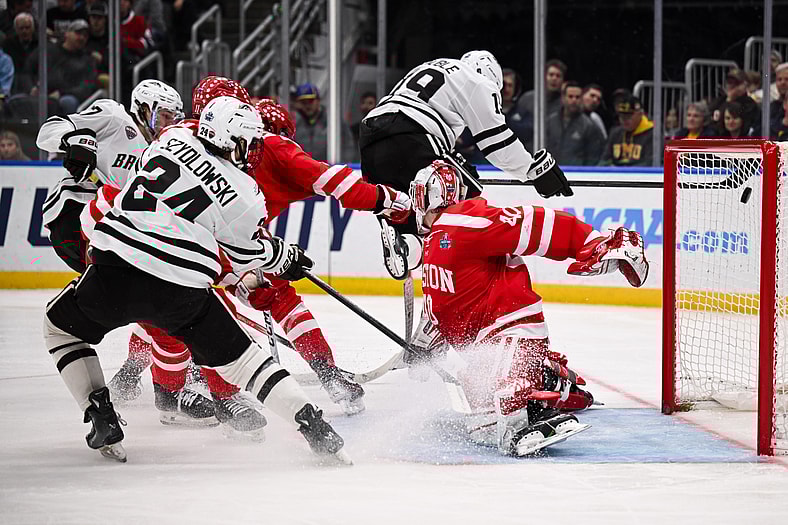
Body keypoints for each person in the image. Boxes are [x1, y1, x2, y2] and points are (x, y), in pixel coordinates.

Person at [42, 96, 348, 463]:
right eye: (247, 143)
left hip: (116, 267)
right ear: (229, 138)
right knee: (246, 362)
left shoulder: (172, 134)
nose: (251, 153)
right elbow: (246, 256)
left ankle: (99, 411)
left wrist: (76, 142)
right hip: (181, 288)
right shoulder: (248, 195)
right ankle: (312, 424)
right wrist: (286, 257)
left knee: (60, 329)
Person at [108, 77, 411, 418]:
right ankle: (223, 392)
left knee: (190, 308)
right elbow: (335, 182)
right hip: (211, 246)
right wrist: (391, 201)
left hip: (196, 244)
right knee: (219, 311)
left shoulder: (188, 135)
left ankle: (147, 375)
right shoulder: (271, 149)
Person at [406, 160, 648, 456]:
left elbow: (536, 223)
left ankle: (529, 395)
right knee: (483, 423)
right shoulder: (432, 242)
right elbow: (445, 299)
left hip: (512, 329)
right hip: (483, 345)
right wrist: (428, 338)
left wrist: (594, 243)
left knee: (506, 396)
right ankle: (548, 381)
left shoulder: (464, 221)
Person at [359, 50, 572, 265]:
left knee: (407, 208)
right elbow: (496, 143)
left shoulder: (431, 66)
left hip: (370, 137)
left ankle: (405, 240)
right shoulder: (478, 82)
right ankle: (445, 255)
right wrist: (532, 171)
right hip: (411, 134)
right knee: (464, 188)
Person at [27, 19, 98, 115]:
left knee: (68, 102)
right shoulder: (48, 50)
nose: (81, 38)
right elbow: (27, 71)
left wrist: (61, 93)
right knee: (17, 100)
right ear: (67, 33)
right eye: (78, 33)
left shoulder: (88, 61)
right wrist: (31, 87)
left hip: (66, 97)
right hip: (41, 94)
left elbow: (86, 88)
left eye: (85, 36)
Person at [545, 81, 605, 166]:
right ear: (563, 98)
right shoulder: (550, 121)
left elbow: (593, 159)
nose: (574, 100)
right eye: (570, 96)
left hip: (576, 175)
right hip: (552, 172)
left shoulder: (589, 126)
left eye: (577, 97)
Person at [599, 95, 654, 167]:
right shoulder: (615, 133)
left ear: (640, 114)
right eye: (622, 116)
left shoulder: (652, 133)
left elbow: (650, 163)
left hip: (640, 176)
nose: (624, 119)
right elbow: (604, 161)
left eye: (629, 116)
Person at [709, 69, 758, 136]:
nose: (731, 85)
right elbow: (710, 112)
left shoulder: (749, 103)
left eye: (736, 83)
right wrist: (728, 99)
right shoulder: (722, 99)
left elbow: (744, 126)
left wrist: (730, 99)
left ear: (744, 85)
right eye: (729, 82)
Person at [293, 83, 328, 161]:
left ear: (318, 100)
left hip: (329, 170)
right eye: (303, 102)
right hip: (304, 170)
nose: (307, 105)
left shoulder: (332, 122)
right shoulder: (295, 124)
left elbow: (348, 147)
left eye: (310, 101)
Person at [3, 12, 37, 92]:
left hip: (36, 77)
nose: (24, 31)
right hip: (15, 79)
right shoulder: (8, 44)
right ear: (16, 29)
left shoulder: (41, 43)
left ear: (33, 28)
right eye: (21, 28)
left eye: (27, 28)